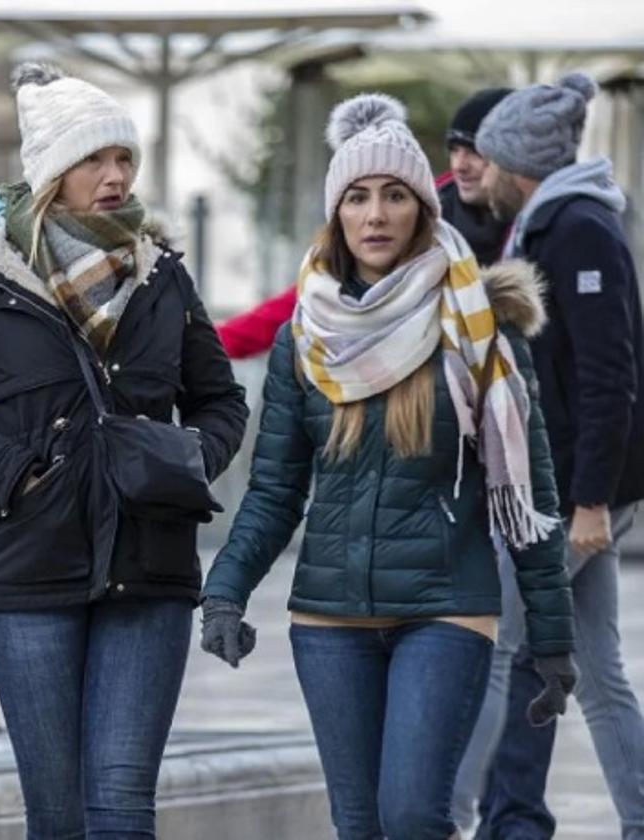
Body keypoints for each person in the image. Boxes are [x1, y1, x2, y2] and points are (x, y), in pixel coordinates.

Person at [199, 92, 576, 840]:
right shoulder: (304, 337)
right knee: (359, 824)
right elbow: (276, 487)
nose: (375, 215)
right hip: (328, 618)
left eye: (395, 196)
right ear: (337, 214)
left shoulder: (478, 330)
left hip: (444, 607)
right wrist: (226, 592)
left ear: (420, 212)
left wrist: (554, 639)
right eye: (358, 198)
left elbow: (526, 491)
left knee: (411, 818)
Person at [0, 63, 248, 837]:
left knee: (121, 809)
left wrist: (185, 458)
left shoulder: (164, 277)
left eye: (124, 159)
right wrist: (15, 475)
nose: (115, 176)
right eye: (95, 159)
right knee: (57, 817)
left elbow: (221, 399)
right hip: (26, 569)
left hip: (149, 567)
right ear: (53, 171)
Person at [463, 72, 644, 839]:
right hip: (569, 488)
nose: (479, 174)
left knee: (489, 647)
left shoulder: (577, 230)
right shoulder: (551, 224)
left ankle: (436, 815)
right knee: (600, 674)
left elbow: (611, 375)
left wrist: (593, 500)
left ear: (515, 162)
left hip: (573, 493)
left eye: (486, 158)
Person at [215, 86, 513, 360]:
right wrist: (212, 344)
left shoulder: (537, 226)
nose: (461, 164)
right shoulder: (416, 212)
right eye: (454, 149)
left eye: (475, 150)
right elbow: (304, 298)